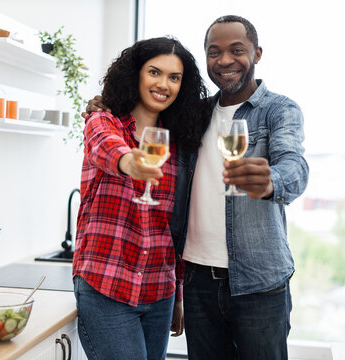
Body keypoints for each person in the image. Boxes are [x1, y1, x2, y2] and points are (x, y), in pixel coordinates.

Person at [84, 15, 309, 360]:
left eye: (237, 50)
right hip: (198, 280)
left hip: (259, 281)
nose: (225, 61)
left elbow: (295, 166)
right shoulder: (194, 117)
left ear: (257, 53)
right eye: (214, 52)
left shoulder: (278, 110)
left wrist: (271, 181)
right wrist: (107, 111)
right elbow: (113, 140)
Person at [72, 36, 207, 360]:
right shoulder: (104, 120)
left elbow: (174, 226)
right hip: (106, 285)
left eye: (174, 78)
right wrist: (131, 162)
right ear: (136, 74)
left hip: (159, 290)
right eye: (154, 72)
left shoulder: (176, 146)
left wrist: (178, 295)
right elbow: (107, 148)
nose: (164, 84)